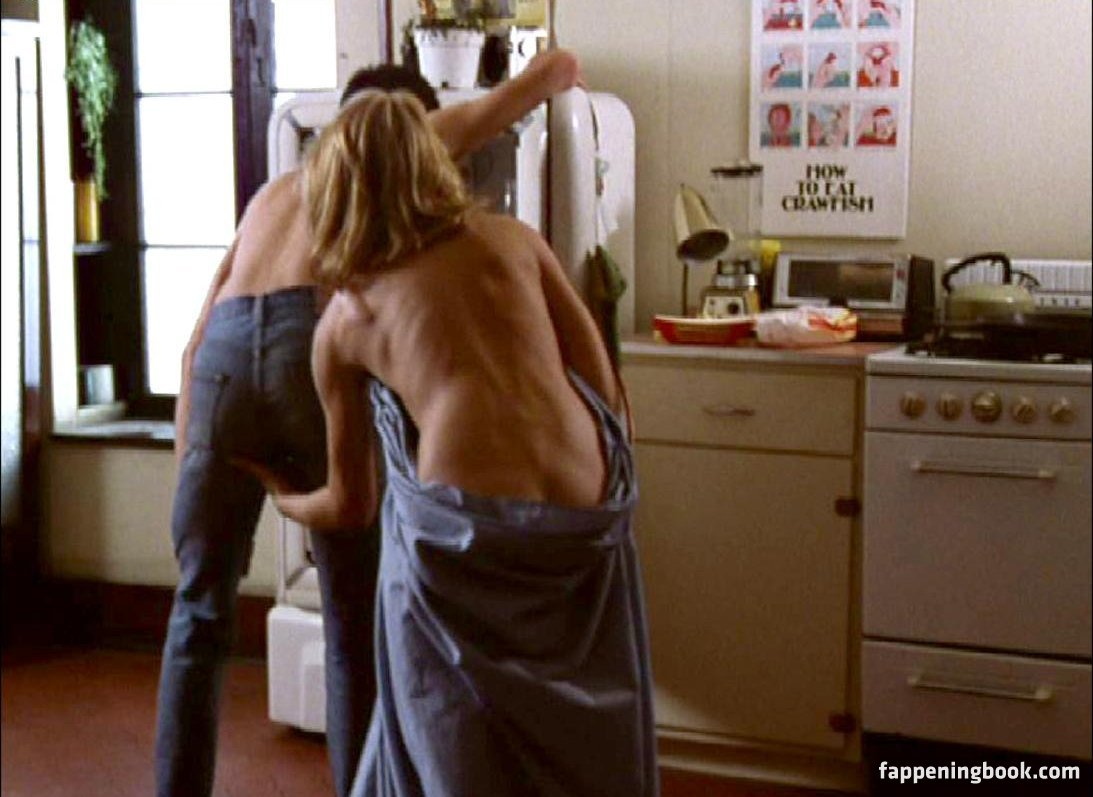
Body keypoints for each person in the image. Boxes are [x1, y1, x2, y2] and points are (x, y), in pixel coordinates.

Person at [153, 50, 585, 797]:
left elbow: (196, 341)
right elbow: (547, 74)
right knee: (351, 620)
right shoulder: (401, 138)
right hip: (306, 339)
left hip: (223, 360)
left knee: (197, 608)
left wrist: (194, 452)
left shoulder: (272, 194)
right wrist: (561, 75)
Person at [242, 89, 656, 796]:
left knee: (438, 681)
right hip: (586, 505)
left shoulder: (346, 321)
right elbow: (607, 393)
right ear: (433, 162)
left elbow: (350, 504)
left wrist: (285, 500)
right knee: (578, 726)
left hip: (472, 522)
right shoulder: (512, 240)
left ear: (336, 191)